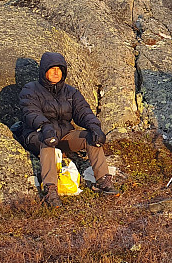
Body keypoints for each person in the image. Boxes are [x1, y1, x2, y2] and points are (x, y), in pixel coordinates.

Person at [19, 51, 118, 207]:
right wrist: (45, 127)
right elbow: (31, 113)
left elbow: (83, 111)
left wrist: (95, 128)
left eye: (59, 69)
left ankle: (102, 180)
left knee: (90, 137)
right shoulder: (31, 90)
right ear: (44, 71)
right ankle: (51, 190)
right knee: (48, 141)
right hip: (37, 135)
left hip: (64, 135)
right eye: (52, 69)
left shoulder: (71, 92)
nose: (56, 72)